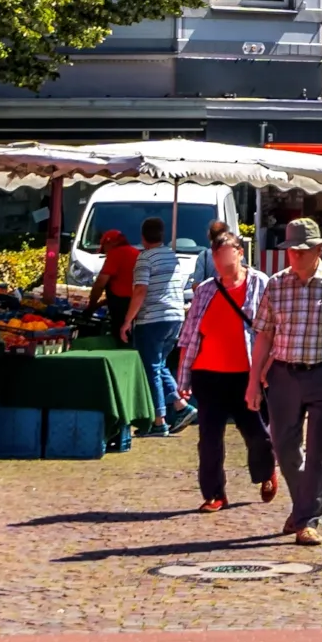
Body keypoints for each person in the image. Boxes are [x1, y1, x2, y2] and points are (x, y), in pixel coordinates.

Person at [245, 217, 322, 546]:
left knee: (319, 449)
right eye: (291, 251)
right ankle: (303, 506)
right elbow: (264, 335)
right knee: (284, 447)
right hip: (284, 375)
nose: (295, 256)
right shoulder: (276, 284)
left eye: (302, 251)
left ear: (318, 250)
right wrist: (253, 381)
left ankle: (307, 520)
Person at [183, 226, 277, 511]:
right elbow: (190, 335)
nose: (221, 261)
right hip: (208, 374)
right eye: (216, 256)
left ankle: (266, 471)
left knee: (256, 433)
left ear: (239, 253)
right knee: (209, 438)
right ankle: (214, 494)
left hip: (246, 375)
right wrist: (184, 377)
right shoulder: (206, 290)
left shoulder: (261, 284)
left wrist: (267, 368)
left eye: (226, 254)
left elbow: (274, 328)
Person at [127, 217, 194, 434]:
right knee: (160, 364)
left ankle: (159, 421)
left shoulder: (145, 258)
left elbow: (140, 290)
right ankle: (180, 405)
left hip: (152, 319)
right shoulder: (171, 255)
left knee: (152, 369)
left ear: (143, 236)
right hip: (175, 317)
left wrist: (127, 320)